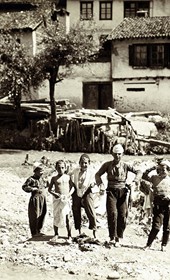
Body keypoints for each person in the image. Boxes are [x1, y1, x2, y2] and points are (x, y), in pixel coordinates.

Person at [95, 143, 142, 247]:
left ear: (123, 154)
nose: (117, 156)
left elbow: (139, 171)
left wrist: (134, 181)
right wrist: (100, 185)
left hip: (123, 192)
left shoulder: (125, 165)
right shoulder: (107, 165)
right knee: (112, 214)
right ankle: (112, 237)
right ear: (112, 154)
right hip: (111, 191)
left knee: (122, 214)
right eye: (115, 154)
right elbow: (97, 174)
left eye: (119, 154)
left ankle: (119, 237)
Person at [142, 160, 170, 252]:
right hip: (158, 205)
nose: (161, 172)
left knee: (167, 227)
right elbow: (144, 176)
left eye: (164, 170)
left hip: (168, 205)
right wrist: (153, 167)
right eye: (160, 170)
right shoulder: (154, 178)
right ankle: (148, 244)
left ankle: (164, 245)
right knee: (156, 226)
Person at [70, 154, 98, 239]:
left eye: (85, 163)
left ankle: (94, 231)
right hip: (76, 192)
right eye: (82, 163)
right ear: (79, 163)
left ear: (89, 163)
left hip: (87, 192)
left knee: (90, 211)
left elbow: (96, 180)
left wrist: (93, 184)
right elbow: (67, 176)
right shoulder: (75, 171)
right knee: (75, 210)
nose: (83, 165)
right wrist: (71, 184)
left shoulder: (92, 172)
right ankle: (78, 230)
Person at [48, 160, 74, 243]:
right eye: (59, 168)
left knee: (67, 217)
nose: (60, 169)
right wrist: (54, 194)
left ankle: (69, 235)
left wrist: (69, 194)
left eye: (62, 168)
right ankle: (56, 234)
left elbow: (73, 187)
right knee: (56, 216)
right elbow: (49, 189)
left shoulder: (68, 177)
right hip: (57, 199)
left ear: (65, 168)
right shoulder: (54, 178)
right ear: (56, 168)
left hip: (66, 199)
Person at [22, 162, 47, 237]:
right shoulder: (31, 179)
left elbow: (47, 185)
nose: (42, 172)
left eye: (43, 171)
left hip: (43, 199)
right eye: (40, 171)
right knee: (35, 215)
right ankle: (34, 232)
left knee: (42, 213)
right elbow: (24, 187)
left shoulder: (42, 179)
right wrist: (32, 189)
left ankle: (39, 230)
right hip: (35, 199)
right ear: (35, 171)